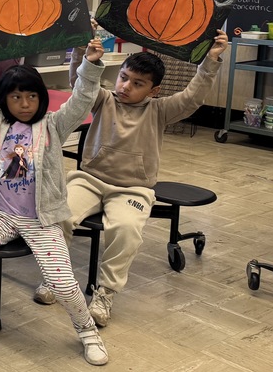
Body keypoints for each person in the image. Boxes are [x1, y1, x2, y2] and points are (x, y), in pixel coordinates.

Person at [34, 27, 228, 326]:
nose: (126, 86)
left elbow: (192, 97)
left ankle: (105, 295)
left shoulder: (160, 110)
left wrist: (211, 61)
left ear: (154, 90)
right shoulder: (103, 99)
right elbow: (79, 85)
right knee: (60, 216)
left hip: (133, 189)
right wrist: (80, 54)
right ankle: (56, 279)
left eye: (137, 84)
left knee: (125, 229)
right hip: (90, 179)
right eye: (124, 77)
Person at [0, 29, 109, 366]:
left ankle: (87, 330)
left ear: (41, 99)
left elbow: (81, 100)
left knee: (63, 284)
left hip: (41, 218)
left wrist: (91, 67)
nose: (25, 104)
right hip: (1, 215)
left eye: (32, 97)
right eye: (17, 97)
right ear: (4, 99)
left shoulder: (53, 126)